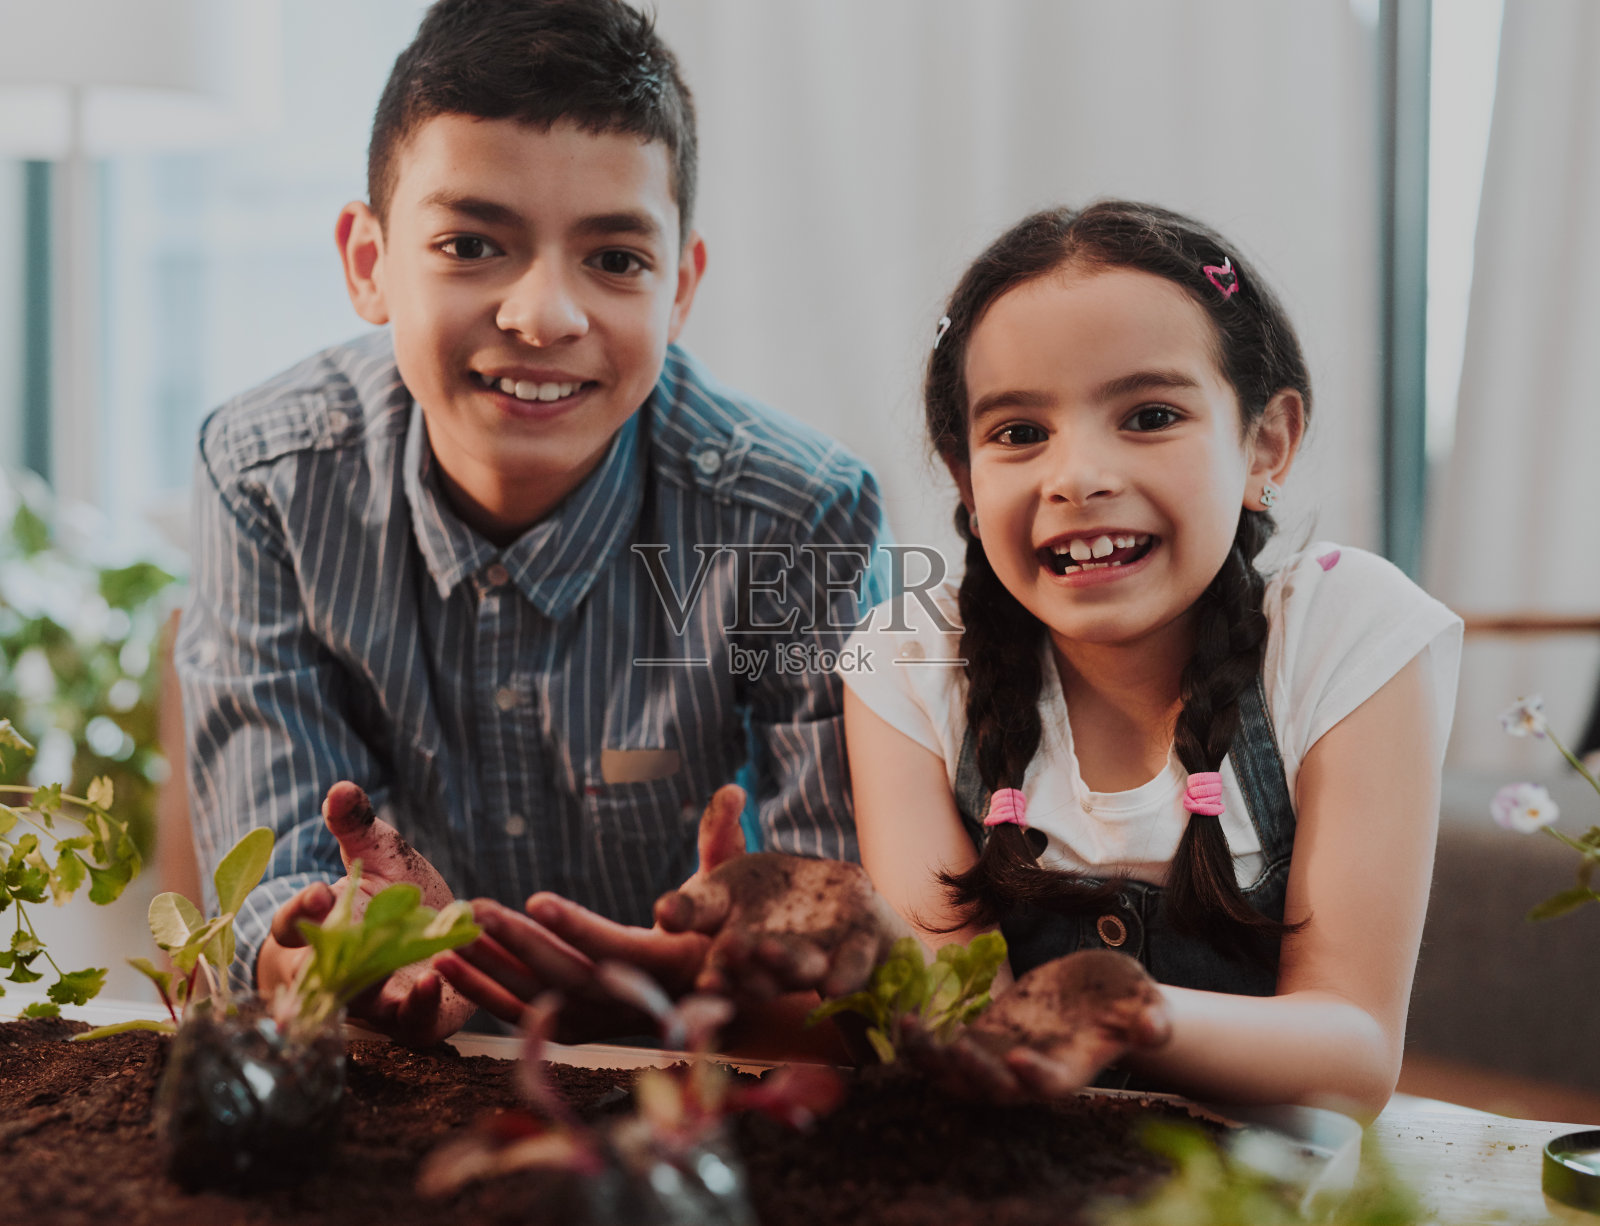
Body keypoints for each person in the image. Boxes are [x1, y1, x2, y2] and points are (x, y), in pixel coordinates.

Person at [176, 0, 889, 1045]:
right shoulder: (265, 475)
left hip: (692, 1078)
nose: (545, 314)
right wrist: (330, 946)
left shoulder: (800, 512)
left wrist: (759, 954)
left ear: (680, 286)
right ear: (368, 261)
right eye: (471, 244)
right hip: (395, 1073)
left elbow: (838, 908)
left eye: (615, 260)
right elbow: (270, 872)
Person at [649, 201, 1461, 1118]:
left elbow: (1352, 1055)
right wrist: (778, 991)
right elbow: (956, 1023)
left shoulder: (1348, 634)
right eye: (1019, 433)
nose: (1076, 476)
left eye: (1149, 415)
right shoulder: (910, 666)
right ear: (965, 476)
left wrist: (1123, 1012)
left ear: (1265, 442)